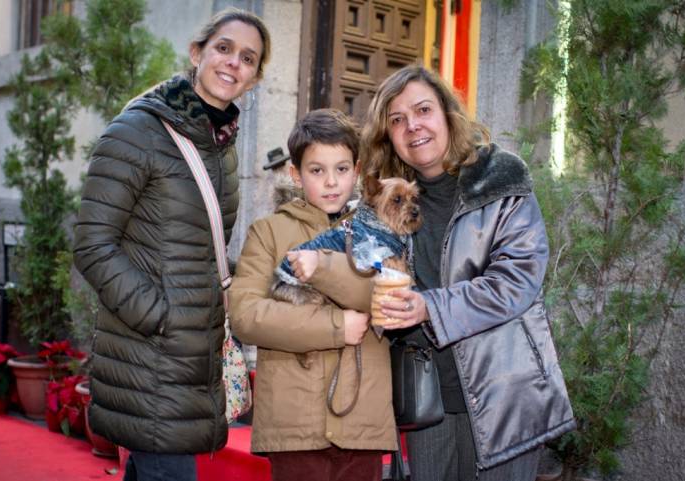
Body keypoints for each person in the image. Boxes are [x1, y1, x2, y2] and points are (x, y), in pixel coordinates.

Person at [72, 9, 270, 481]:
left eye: (248, 57)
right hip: (152, 355)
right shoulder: (139, 130)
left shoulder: (218, 143)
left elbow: (199, 249)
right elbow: (93, 244)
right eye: (223, 48)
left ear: (255, 78)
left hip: (190, 359)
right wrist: (161, 317)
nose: (233, 63)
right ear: (197, 53)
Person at [359, 65, 577, 481]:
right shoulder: (386, 199)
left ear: (446, 113)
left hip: (504, 392)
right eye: (397, 120)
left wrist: (428, 306)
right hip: (426, 399)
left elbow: (517, 281)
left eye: (423, 110)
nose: (413, 127)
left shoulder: (500, 178)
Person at [228, 109, 397, 481]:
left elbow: (393, 297)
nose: (331, 182)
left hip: (362, 421)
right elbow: (245, 313)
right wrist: (336, 325)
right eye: (317, 170)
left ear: (357, 170)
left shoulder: (379, 231)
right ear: (296, 173)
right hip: (294, 425)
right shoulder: (269, 232)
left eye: (341, 169)